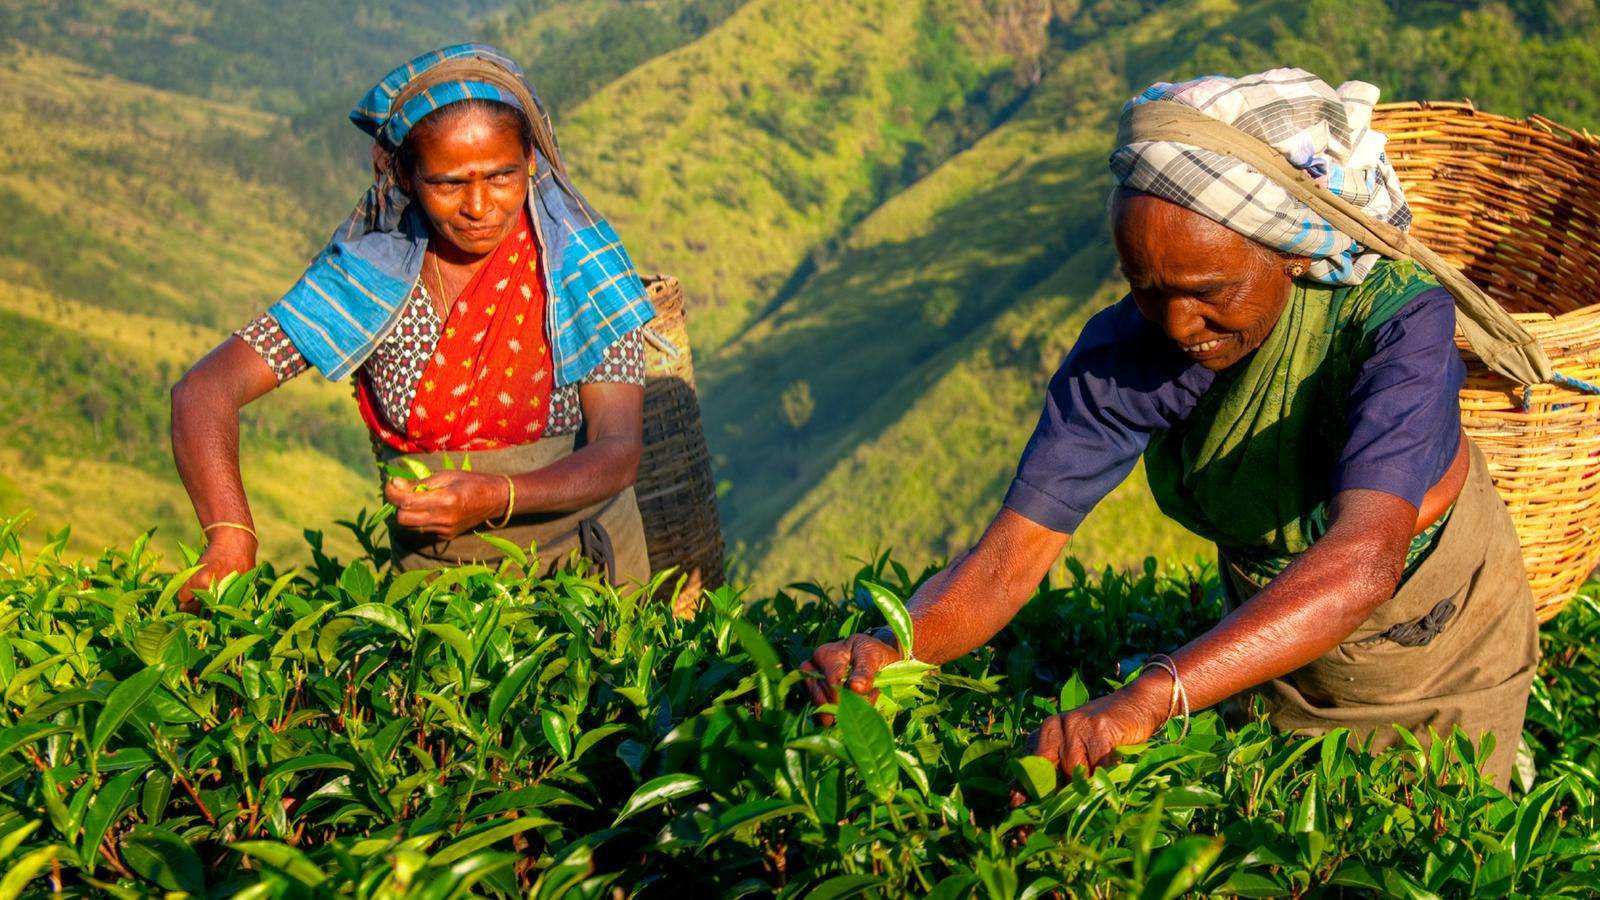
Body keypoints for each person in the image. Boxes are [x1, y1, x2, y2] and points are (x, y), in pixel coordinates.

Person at [802, 69, 1543, 787]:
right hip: (1275, 629)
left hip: (1440, 631)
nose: (1179, 324)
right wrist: (890, 647)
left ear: (1288, 248)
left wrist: (1152, 695)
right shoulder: (1127, 353)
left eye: (1208, 292)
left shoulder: (1396, 321)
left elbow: (1363, 562)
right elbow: (1007, 562)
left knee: (1444, 823)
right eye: (1146, 289)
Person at [171, 44, 656, 604]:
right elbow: (204, 390)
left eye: (500, 176)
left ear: (531, 160)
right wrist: (231, 537)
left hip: (589, 574)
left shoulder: (580, 264)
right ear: (403, 174)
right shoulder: (372, 277)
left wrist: (500, 495)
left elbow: (618, 450)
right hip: (435, 596)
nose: (479, 206)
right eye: (449, 183)